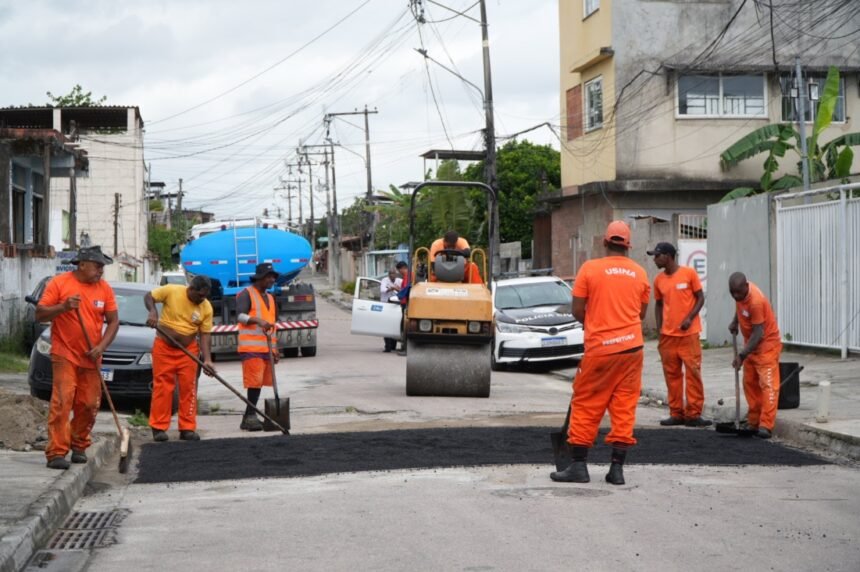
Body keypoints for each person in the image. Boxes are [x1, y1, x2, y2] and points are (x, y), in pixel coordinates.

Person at [551, 221, 650, 486]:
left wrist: (595, 323)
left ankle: (579, 466)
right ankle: (616, 470)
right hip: (632, 349)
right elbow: (641, 314)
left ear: (605, 242)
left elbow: (577, 310)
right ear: (628, 246)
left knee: (586, 403)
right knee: (624, 406)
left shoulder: (590, 270)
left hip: (601, 350)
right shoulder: (640, 273)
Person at [36, 246, 119, 470]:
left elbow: (113, 321)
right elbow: (40, 313)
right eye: (97, 265)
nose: (101, 270)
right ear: (82, 264)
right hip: (64, 353)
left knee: (89, 403)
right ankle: (56, 452)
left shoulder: (104, 289)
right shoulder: (59, 284)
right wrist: (63, 307)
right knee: (63, 400)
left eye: (102, 267)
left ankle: (79, 443)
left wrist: (101, 346)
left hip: (91, 357)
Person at [145, 275, 216, 442]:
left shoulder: (206, 308)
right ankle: (159, 427)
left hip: (188, 351)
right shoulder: (171, 291)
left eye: (205, 296)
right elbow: (149, 296)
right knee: (163, 387)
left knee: (188, 388)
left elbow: (205, 334)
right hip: (164, 348)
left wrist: (207, 360)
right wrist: (153, 311)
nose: (202, 299)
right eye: (200, 295)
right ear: (190, 289)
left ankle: (187, 428)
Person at [648, 242, 710, 428]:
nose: (654, 259)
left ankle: (693, 414)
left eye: (657, 255)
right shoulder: (659, 280)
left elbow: (700, 298)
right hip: (668, 337)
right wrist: (659, 330)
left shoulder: (689, 274)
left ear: (668, 256)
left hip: (688, 335)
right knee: (671, 375)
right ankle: (676, 413)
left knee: (693, 373)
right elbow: (658, 305)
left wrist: (690, 318)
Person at [728, 272, 783, 439]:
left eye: (738, 292)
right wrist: (735, 321)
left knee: (768, 386)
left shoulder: (756, 301)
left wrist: (742, 355)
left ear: (746, 287)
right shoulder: (740, 295)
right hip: (751, 345)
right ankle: (754, 421)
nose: (736, 296)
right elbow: (740, 308)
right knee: (750, 383)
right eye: (732, 292)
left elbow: (758, 333)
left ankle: (766, 425)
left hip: (766, 346)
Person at [234, 263, 281, 431]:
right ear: (259, 277)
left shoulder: (270, 298)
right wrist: (257, 320)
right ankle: (250, 416)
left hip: (266, 348)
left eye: (273, 277)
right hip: (251, 347)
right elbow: (239, 315)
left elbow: (272, 325)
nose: (272, 280)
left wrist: (275, 350)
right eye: (269, 276)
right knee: (254, 383)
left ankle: (249, 416)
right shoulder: (246, 294)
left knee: (258, 383)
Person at [380, 268, 402, 352]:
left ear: (396, 274)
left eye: (394, 274)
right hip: (386, 305)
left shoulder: (399, 281)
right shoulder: (384, 280)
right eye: (391, 274)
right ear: (388, 274)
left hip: (396, 305)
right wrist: (391, 288)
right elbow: (382, 290)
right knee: (386, 326)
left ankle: (393, 345)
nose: (392, 275)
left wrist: (396, 288)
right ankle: (387, 347)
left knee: (394, 325)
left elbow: (404, 290)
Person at [395, 261, 410, 356]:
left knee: (404, 327)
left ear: (402, 268)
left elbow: (406, 290)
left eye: (399, 270)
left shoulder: (408, 276)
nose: (399, 272)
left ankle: (405, 349)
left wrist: (397, 291)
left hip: (406, 304)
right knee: (403, 326)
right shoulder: (407, 276)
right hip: (404, 304)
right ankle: (404, 347)